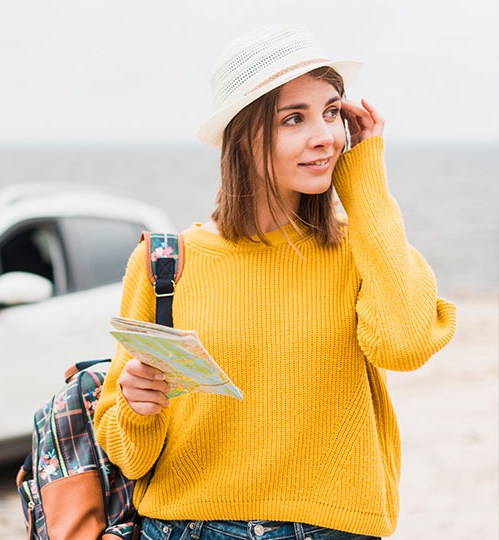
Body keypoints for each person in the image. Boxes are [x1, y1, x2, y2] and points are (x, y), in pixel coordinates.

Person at [93, 24, 457, 540]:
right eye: (294, 118)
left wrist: (366, 180)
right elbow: (127, 455)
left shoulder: (364, 247)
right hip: (187, 528)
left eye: (332, 112)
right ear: (243, 138)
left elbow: (405, 344)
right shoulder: (166, 263)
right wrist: (136, 407)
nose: (325, 137)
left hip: (333, 528)